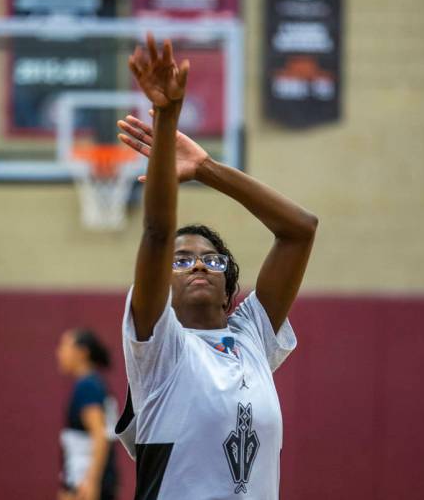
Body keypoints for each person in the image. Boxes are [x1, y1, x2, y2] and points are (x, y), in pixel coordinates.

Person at [113, 34, 318, 500]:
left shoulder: (251, 337)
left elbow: (300, 229)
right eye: (182, 261)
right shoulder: (158, 349)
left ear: (230, 292)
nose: (198, 265)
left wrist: (206, 168)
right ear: (163, 289)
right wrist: (166, 120)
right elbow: (157, 232)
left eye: (211, 258)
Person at [56, 328, 118, 500]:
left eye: (64, 346)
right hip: (82, 481)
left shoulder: (87, 386)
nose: (59, 352)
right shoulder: (93, 383)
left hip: (84, 484)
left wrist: (91, 481)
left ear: (82, 352)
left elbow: (100, 435)